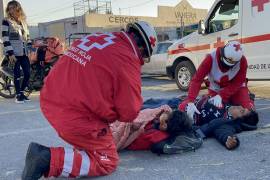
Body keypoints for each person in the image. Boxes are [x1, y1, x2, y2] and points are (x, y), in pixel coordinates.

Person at [21, 21, 158, 179]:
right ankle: (46, 158)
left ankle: (81, 150)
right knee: (107, 160)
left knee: (95, 137)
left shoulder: (98, 37)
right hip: (73, 115)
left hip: (50, 97)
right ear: (143, 50)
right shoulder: (128, 60)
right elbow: (129, 112)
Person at [179, 41, 254, 121]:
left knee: (249, 113)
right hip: (216, 88)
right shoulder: (210, 58)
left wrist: (222, 95)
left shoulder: (242, 61)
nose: (225, 68)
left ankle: (249, 98)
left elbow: (238, 82)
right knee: (217, 111)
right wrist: (190, 100)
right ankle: (226, 101)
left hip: (236, 87)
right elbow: (197, 80)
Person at [193, 95, 259, 150]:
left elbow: (224, 132)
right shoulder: (228, 102)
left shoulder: (225, 122)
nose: (239, 107)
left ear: (238, 120)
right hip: (189, 102)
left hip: (187, 116)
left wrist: (229, 140)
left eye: (241, 111)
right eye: (243, 107)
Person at [1, 0, 31, 103]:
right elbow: (5, 38)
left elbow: (27, 37)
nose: (12, 10)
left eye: (14, 7)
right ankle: (18, 96)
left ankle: (22, 93)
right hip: (13, 53)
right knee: (17, 74)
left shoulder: (23, 22)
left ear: (18, 8)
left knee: (27, 73)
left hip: (24, 52)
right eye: (10, 8)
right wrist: (10, 53)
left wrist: (30, 44)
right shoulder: (6, 21)